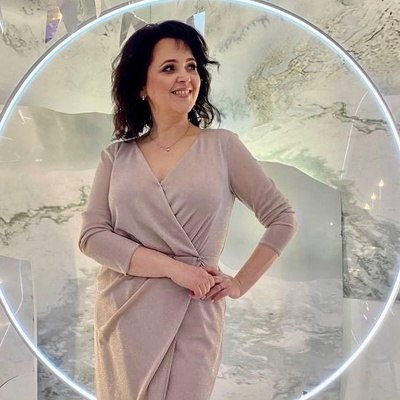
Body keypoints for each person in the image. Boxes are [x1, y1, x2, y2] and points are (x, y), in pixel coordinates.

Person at [78, 19, 297, 400]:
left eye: (191, 66)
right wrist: (174, 268)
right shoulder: (116, 157)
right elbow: (92, 237)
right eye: (169, 68)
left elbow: (282, 219)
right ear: (141, 86)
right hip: (123, 315)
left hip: (194, 309)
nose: (185, 77)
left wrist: (239, 283)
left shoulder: (223, 147)